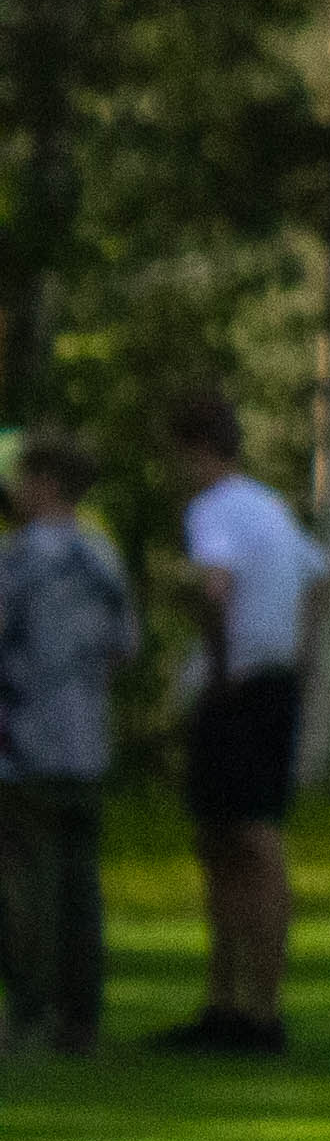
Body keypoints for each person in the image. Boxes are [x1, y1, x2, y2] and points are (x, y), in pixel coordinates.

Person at [158, 386, 324, 1057]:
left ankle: (253, 1008)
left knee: (247, 839)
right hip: (275, 680)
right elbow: (319, 580)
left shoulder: (215, 509)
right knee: (225, 839)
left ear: (195, 448)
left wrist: (220, 668)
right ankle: (234, 1003)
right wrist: (300, 658)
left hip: (238, 685)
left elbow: (215, 587)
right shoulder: (270, 505)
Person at [1, 430, 140, 1058]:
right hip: (86, 742)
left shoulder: (20, 559)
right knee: (81, 887)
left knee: (25, 885)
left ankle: (29, 1015)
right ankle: (81, 1019)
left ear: (46, 484)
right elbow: (123, 647)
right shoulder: (102, 556)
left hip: (23, 742)